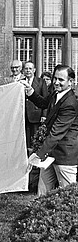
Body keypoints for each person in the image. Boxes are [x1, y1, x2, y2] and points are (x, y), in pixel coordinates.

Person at [21, 65, 78, 196]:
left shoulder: (70, 103)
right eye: (55, 78)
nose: (56, 82)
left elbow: (56, 133)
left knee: (68, 195)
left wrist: (38, 154)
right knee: (43, 192)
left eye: (61, 80)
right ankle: (37, 216)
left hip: (65, 156)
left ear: (70, 82)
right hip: (50, 154)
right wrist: (30, 91)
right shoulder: (55, 94)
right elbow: (42, 103)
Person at [23, 61, 48, 148]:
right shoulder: (20, 82)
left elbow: (45, 100)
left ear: (34, 70)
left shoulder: (41, 82)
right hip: (23, 115)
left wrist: (44, 115)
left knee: (35, 139)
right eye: (26, 68)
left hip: (36, 115)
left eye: (30, 68)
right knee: (25, 139)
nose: (28, 70)